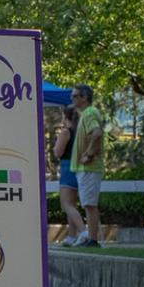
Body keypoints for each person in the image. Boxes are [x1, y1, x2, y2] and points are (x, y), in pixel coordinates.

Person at [65, 85, 106, 247]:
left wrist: (89, 154)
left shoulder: (89, 113)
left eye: (75, 96)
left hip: (89, 167)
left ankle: (93, 240)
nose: (72, 99)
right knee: (88, 204)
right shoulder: (87, 114)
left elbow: (97, 132)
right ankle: (91, 238)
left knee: (90, 204)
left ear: (84, 97)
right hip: (86, 169)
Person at [52, 104, 85, 243]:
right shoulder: (81, 132)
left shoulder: (66, 132)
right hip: (79, 168)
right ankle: (72, 236)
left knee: (66, 205)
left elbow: (58, 152)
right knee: (72, 204)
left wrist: (55, 147)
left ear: (66, 117)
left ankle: (83, 232)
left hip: (67, 168)